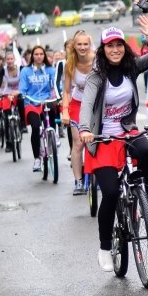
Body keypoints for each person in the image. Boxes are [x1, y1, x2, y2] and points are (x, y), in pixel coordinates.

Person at [78, 14, 148, 272]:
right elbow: (86, 106)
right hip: (102, 138)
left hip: (126, 132)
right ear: (103, 50)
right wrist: (85, 129)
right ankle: (105, 248)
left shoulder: (132, 67)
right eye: (110, 46)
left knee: (145, 150)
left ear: (124, 47)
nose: (115, 50)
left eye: (119, 45)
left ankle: (144, 201)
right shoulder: (96, 77)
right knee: (112, 193)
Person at [61, 32, 95, 195]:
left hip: (96, 105)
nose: (82, 47)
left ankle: (98, 176)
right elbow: (66, 91)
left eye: (85, 44)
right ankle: (78, 180)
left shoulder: (98, 60)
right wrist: (65, 111)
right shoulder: (70, 63)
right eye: (79, 44)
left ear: (90, 45)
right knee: (78, 143)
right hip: (78, 104)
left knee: (97, 141)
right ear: (74, 46)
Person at [19, 45, 58, 172]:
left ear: (44, 56)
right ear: (32, 56)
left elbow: (57, 85)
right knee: (35, 128)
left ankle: (53, 134)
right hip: (31, 102)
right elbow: (23, 88)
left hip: (46, 100)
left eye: (41, 54)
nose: (39, 56)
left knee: (53, 107)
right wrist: (22, 94)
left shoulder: (50, 69)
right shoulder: (26, 71)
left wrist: (59, 94)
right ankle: (37, 158)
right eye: (36, 54)